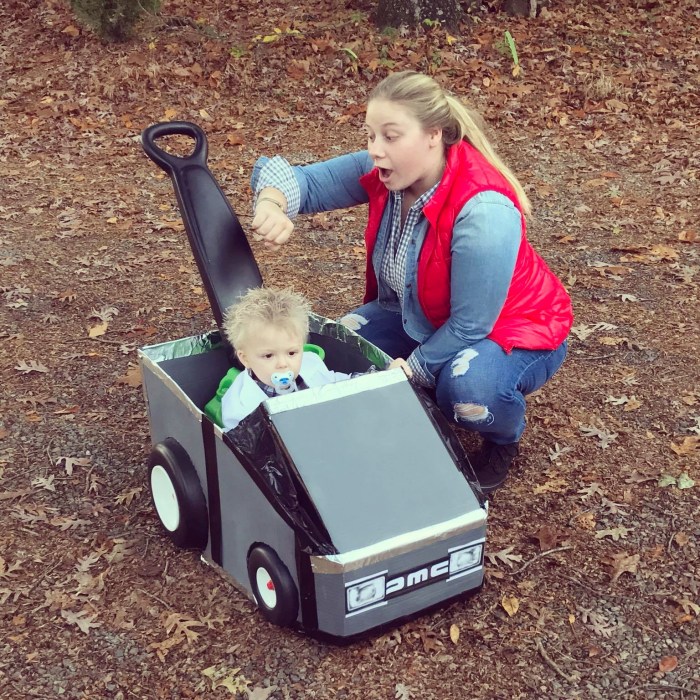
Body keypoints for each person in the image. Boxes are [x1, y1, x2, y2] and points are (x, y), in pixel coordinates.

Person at [246, 71, 573, 492]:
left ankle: (502, 438)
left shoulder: (483, 212)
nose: (375, 151)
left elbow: (472, 325)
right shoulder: (387, 172)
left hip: (517, 326)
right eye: (370, 136)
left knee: (466, 391)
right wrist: (272, 204)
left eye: (390, 136)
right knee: (336, 348)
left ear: (433, 135)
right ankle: (421, 394)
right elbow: (298, 180)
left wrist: (414, 369)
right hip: (421, 312)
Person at [220, 286, 411, 429]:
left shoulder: (311, 365)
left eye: (292, 352)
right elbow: (243, 450)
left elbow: (340, 385)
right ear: (245, 359)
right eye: (268, 355)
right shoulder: (240, 406)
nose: (283, 363)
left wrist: (383, 377)